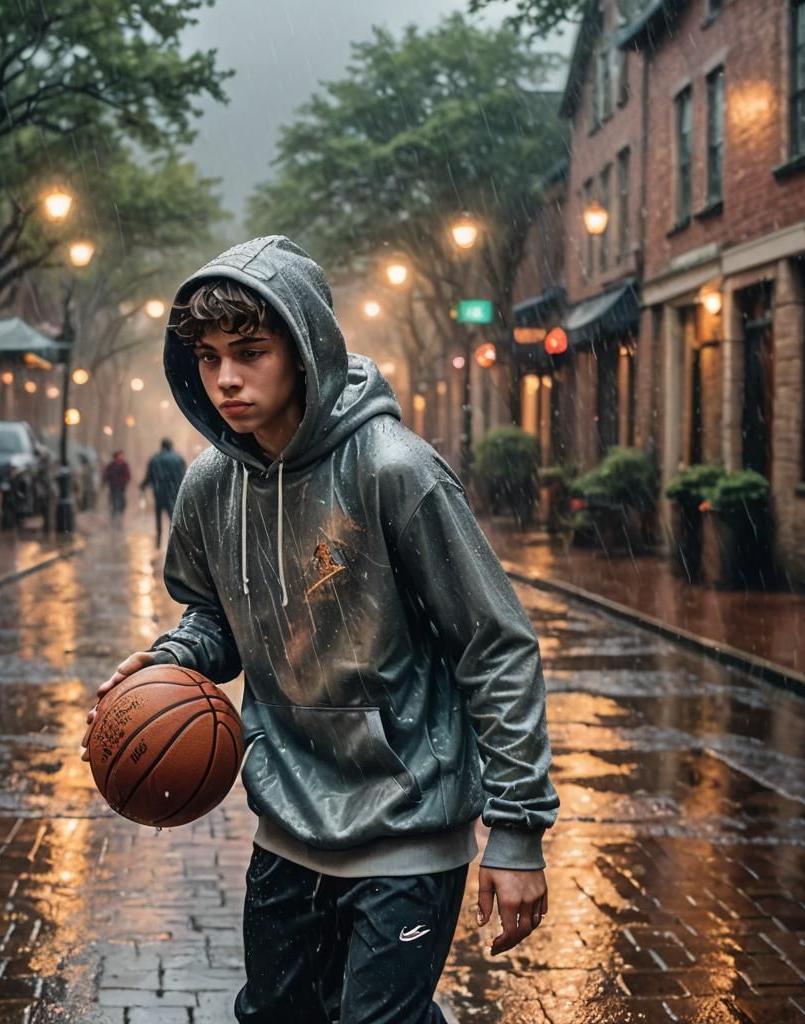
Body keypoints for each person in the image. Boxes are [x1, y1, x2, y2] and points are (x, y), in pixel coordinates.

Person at [81, 236, 558, 1023]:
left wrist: (516, 829)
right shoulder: (209, 485)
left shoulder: (396, 469)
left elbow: (495, 647)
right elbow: (215, 618)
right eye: (208, 357)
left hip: (407, 823)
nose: (226, 378)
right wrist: (170, 660)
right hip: (288, 825)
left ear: (306, 351)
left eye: (250, 353)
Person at [140, 438, 187, 549]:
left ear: (161, 446)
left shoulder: (154, 459)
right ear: (171, 446)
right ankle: (172, 543)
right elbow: (183, 476)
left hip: (159, 493)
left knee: (158, 517)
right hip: (173, 493)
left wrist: (143, 485)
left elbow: (149, 476)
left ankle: (158, 543)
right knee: (173, 517)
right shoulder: (178, 459)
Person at [101, 450, 131, 527]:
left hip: (121, 488)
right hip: (113, 488)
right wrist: (105, 483)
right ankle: (113, 521)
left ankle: (120, 519)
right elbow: (106, 476)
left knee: (122, 504)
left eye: (122, 456)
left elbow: (128, 476)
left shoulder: (124, 465)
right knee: (113, 504)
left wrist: (124, 481)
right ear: (116, 457)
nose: (121, 457)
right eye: (120, 455)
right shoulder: (111, 466)